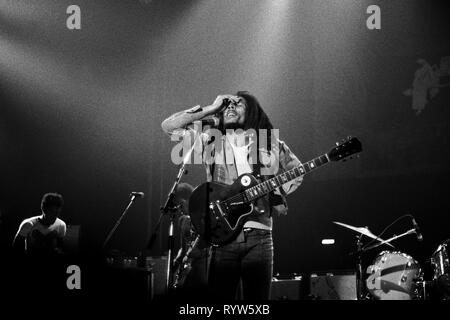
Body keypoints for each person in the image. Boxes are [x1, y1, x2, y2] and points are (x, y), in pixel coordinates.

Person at [161, 91, 303, 300]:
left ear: (252, 112)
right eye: (227, 104)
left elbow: (297, 170)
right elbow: (169, 126)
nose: (230, 107)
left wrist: (275, 192)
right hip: (222, 236)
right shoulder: (211, 142)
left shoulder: (269, 142)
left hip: (259, 236)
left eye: (238, 104)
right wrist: (211, 108)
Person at [172, 183, 210, 298]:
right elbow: (183, 246)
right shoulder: (182, 220)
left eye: (180, 204)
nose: (179, 208)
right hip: (188, 265)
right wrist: (177, 259)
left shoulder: (203, 215)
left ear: (188, 200)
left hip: (203, 263)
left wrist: (191, 254)